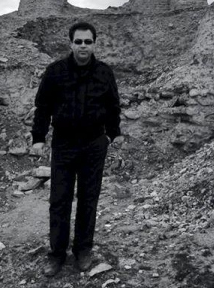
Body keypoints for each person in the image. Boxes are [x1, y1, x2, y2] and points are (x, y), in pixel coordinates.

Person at [30, 21, 122, 277]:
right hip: (64, 144)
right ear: (70, 44)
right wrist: (38, 138)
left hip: (94, 144)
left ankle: (83, 250)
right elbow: (43, 107)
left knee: (88, 199)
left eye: (88, 42)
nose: (83, 46)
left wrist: (114, 134)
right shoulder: (55, 72)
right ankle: (56, 254)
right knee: (59, 200)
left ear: (94, 44)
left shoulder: (104, 72)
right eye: (78, 41)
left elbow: (113, 106)